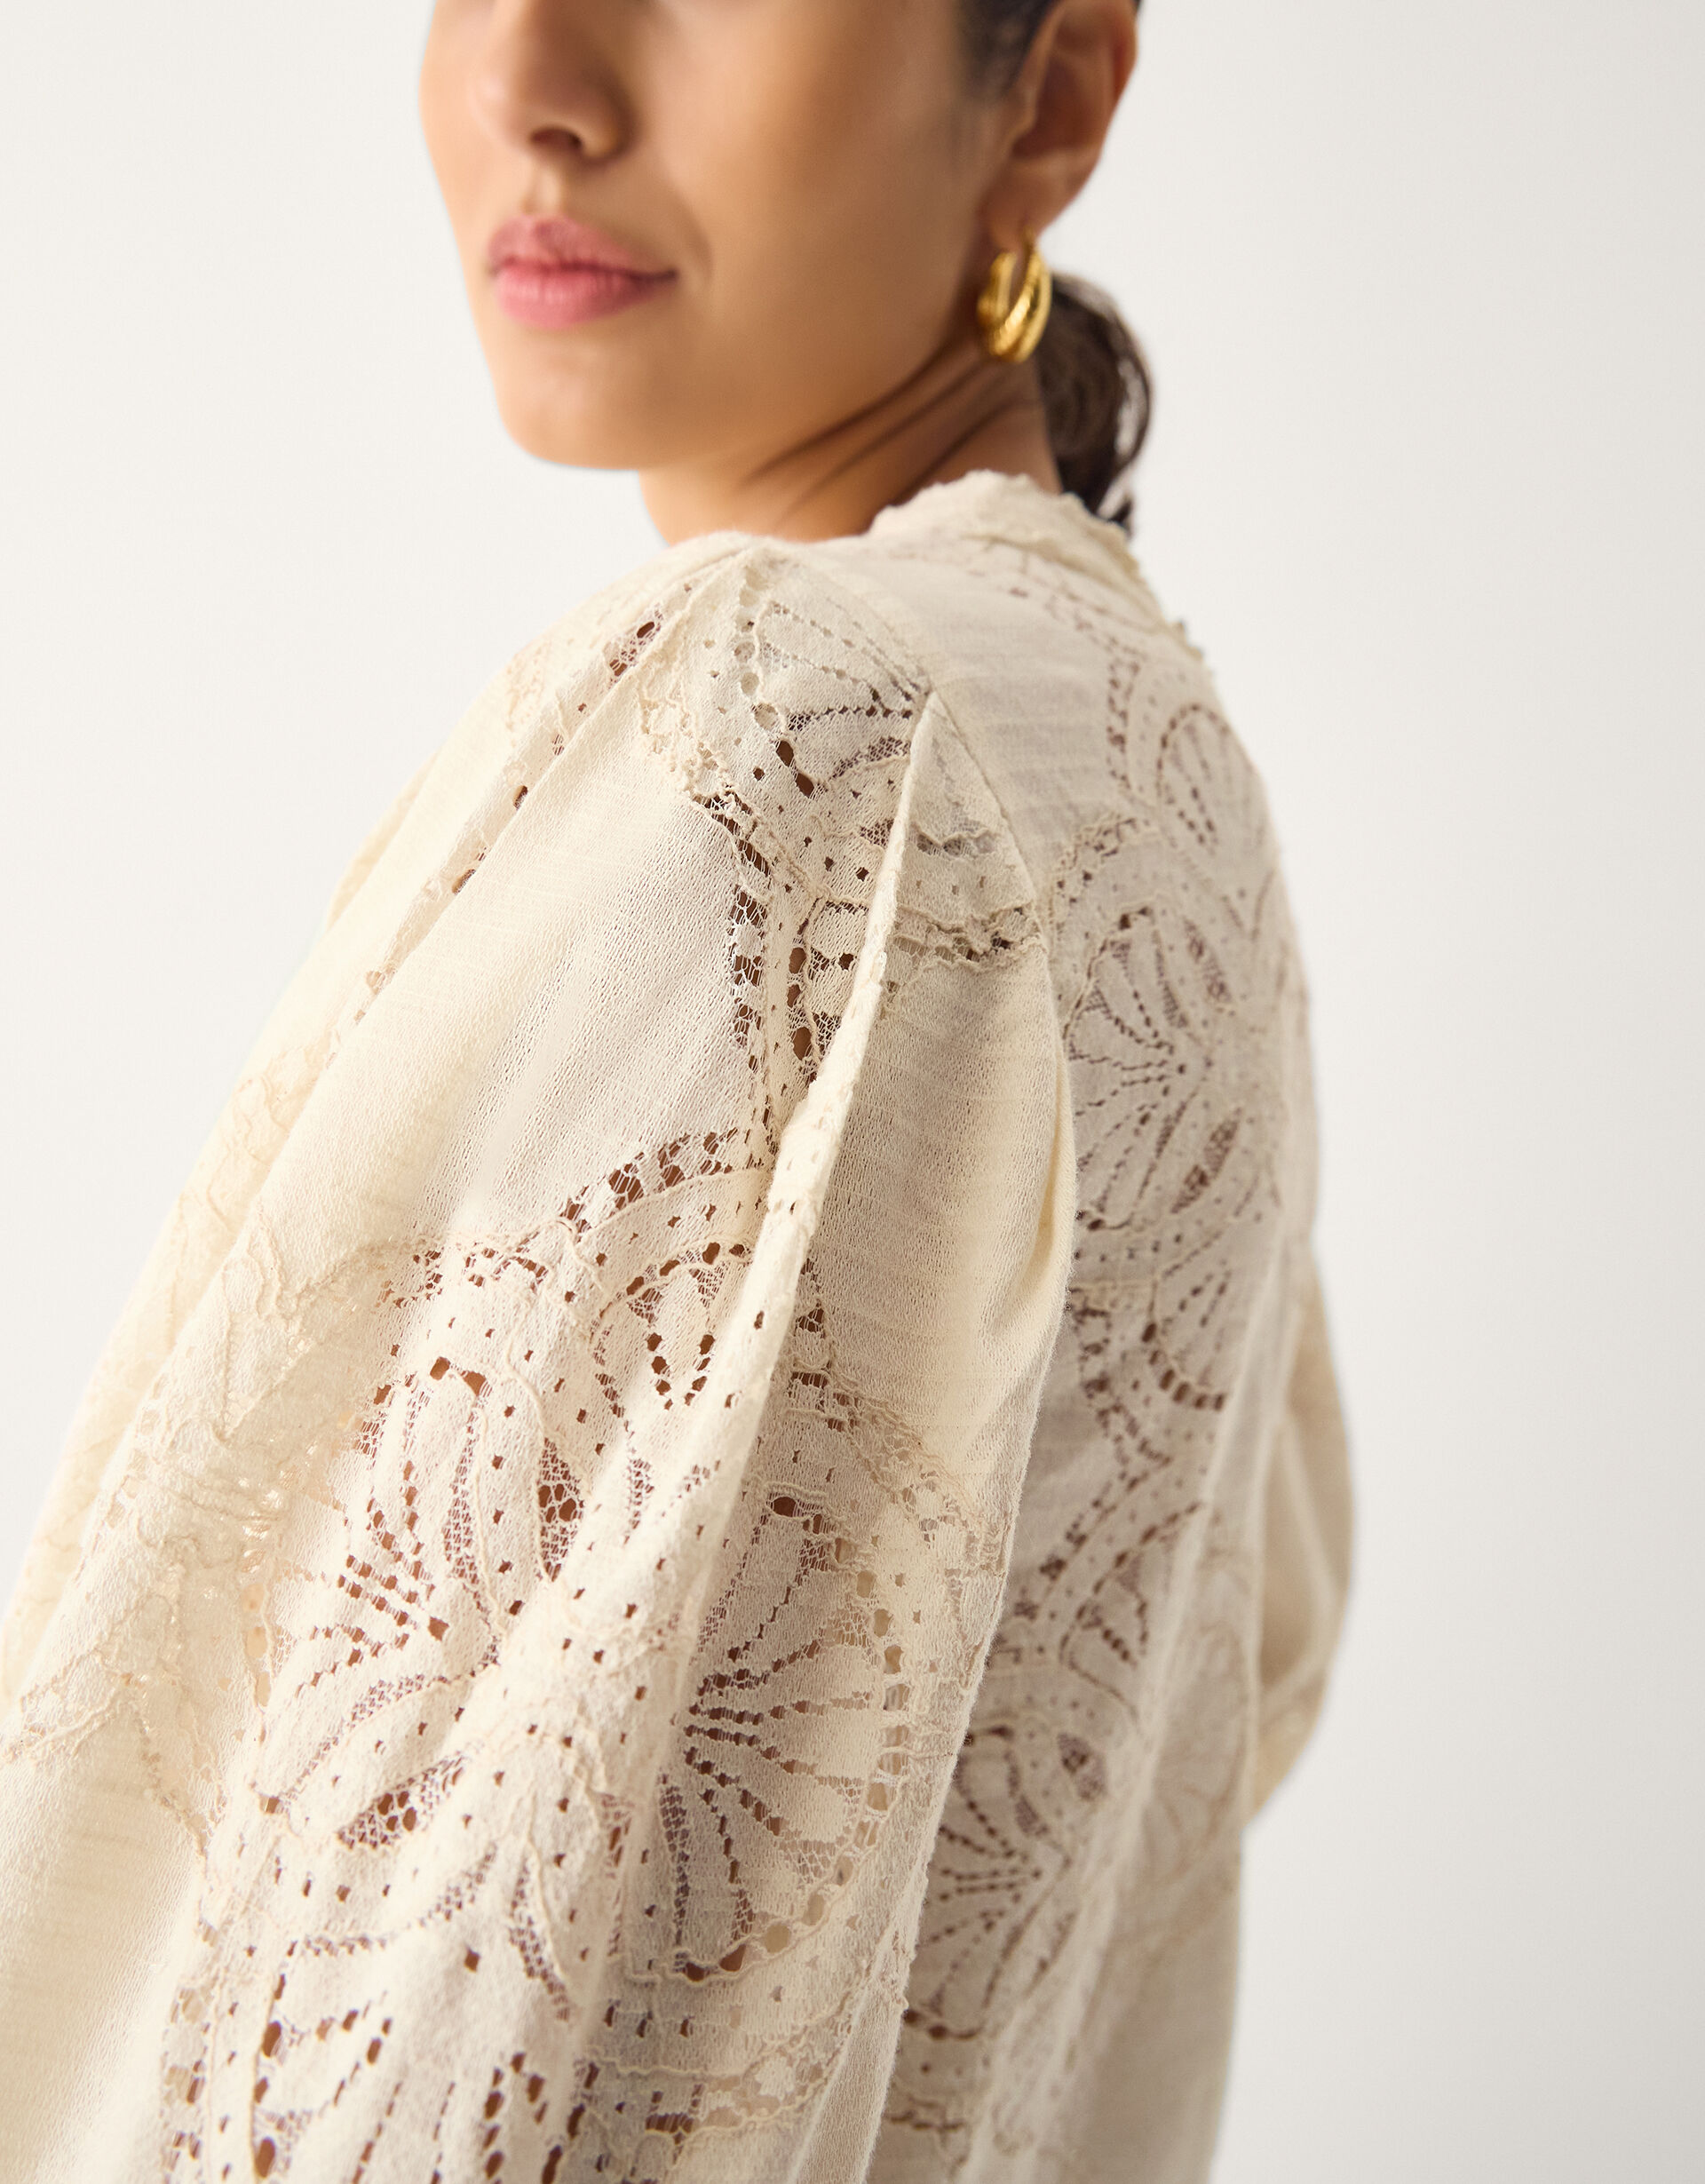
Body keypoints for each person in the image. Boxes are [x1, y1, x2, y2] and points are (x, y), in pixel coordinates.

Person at [0, 1, 1352, 2177]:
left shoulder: (797, 732)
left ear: (1051, 95)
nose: (532, 84)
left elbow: (375, 2059)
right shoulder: (1153, 759)